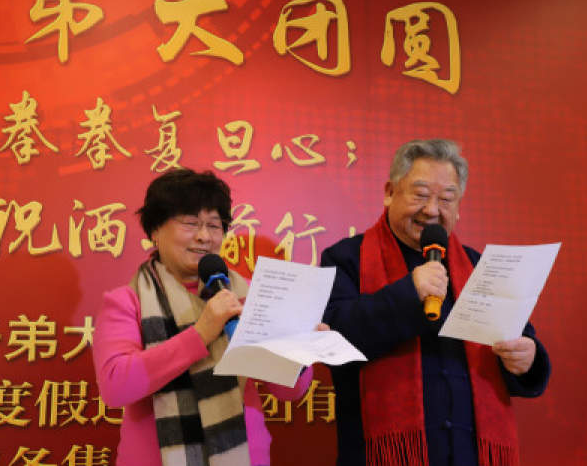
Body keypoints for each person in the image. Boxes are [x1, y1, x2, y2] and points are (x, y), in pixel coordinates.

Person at [321, 139, 550, 466]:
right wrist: (407, 293)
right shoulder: (346, 258)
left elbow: (519, 340)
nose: (431, 210)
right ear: (389, 192)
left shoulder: (479, 266)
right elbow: (334, 340)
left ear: (458, 206)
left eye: (446, 199)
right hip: (383, 456)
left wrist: (527, 359)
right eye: (420, 194)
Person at [92, 168, 314, 466]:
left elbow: (289, 390)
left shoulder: (247, 294)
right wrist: (201, 333)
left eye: (213, 225)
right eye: (190, 223)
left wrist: (300, 348)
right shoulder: (127, 301)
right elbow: (116, 387)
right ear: (155, 230)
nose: (204, 236)